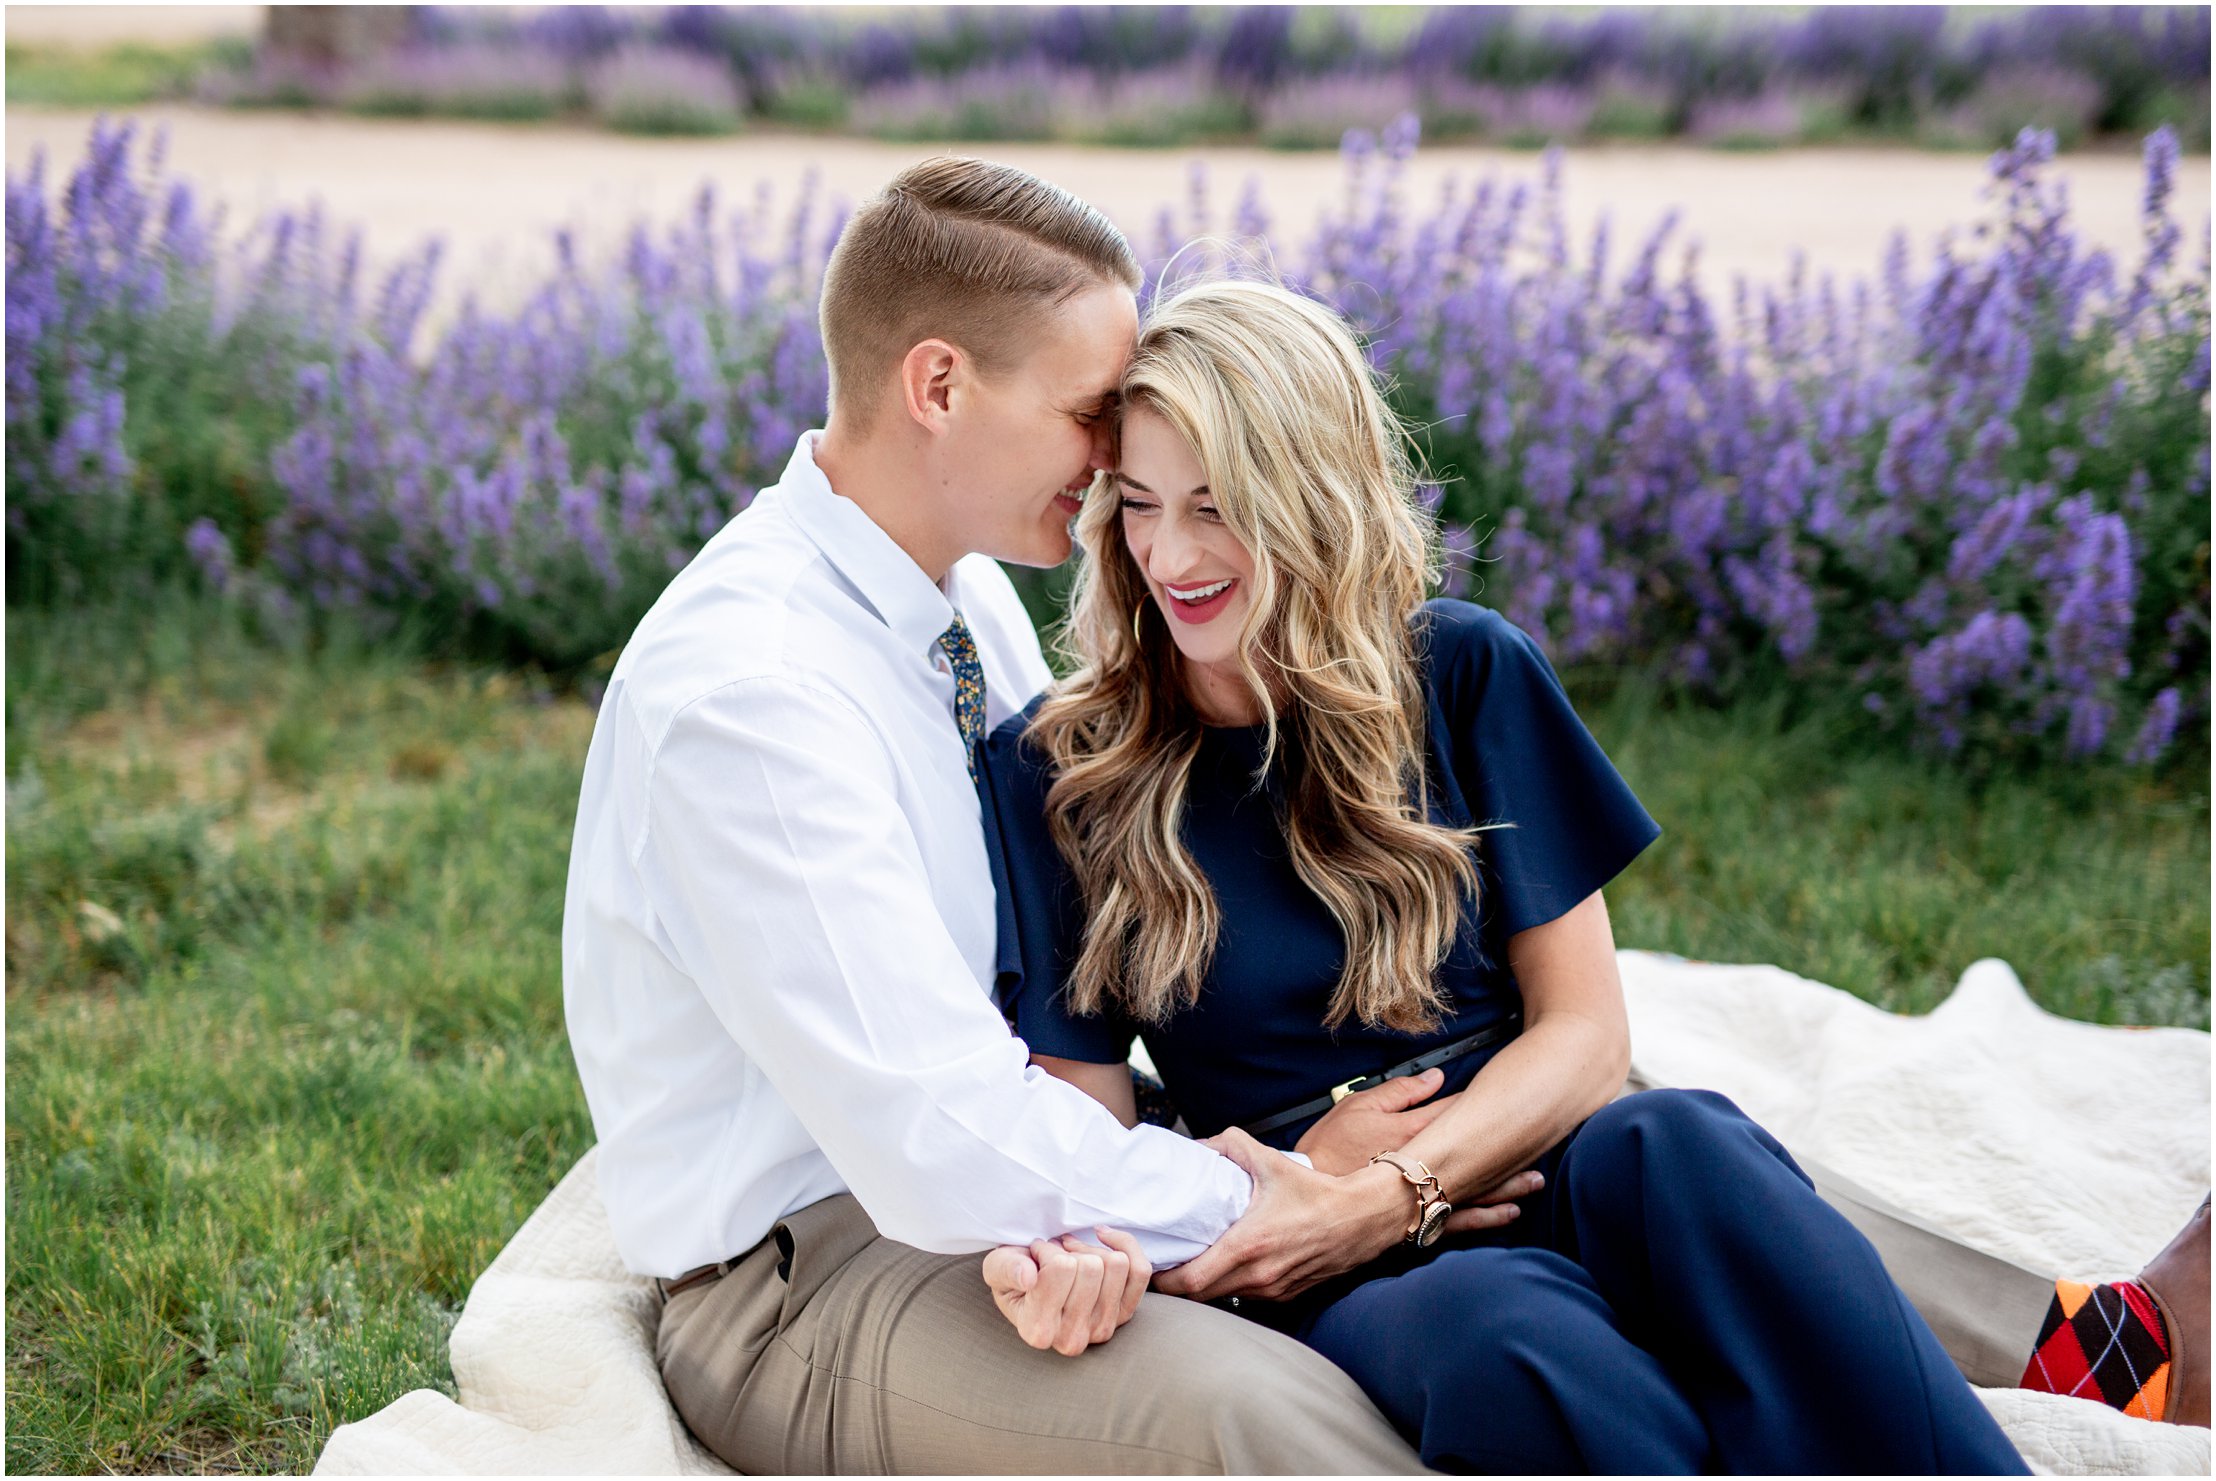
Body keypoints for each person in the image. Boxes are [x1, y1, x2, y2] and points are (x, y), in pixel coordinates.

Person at [975, 274, 2209, 1471]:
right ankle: (2086, 1348)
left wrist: (1398, 1182)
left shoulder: (1460, 669)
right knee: (1509, 1341)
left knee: (1678, 1140)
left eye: (1215, 503)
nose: (1170, 552)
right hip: (1314, 1238)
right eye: (1136, 503)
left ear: (1313, 497)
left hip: (1529, 1144)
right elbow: (1088, 1126)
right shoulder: (1060, 772)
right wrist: (1318, 1195)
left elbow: (1582, 1032)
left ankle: (2076, 1370)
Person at [560, 158, 1431, 1474]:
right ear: (939, 385)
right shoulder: (751, 693)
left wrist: (1254, 1154)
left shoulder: (958, 601)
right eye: (1091, 410)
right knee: (1263, 1419)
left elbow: (1026, 1015)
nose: (1115, 454)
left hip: (999, 1177)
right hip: (813, 1272)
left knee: (1432, 1313)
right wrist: (1256, 1197)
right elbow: (931, 1130)